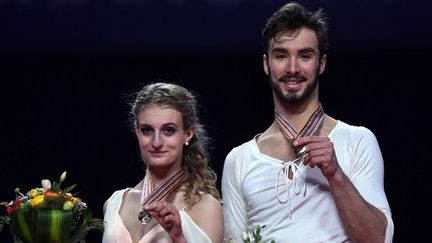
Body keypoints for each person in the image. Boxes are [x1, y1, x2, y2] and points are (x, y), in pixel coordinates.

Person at [221, 2, 393, 243]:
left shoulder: (358, 141)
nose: (292, 68)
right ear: (266, 63)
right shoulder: (239, 160)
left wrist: (336, 176)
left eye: (304, 56)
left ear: (321, 63)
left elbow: (379, 239)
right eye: (281, 55)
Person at [102, 82, 224, 243]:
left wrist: (178, 238)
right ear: (137, 131)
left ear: (188, 134)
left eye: (168, 130)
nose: (157, 142)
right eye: (147, 130)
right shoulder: (115, 203)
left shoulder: (206, 207)